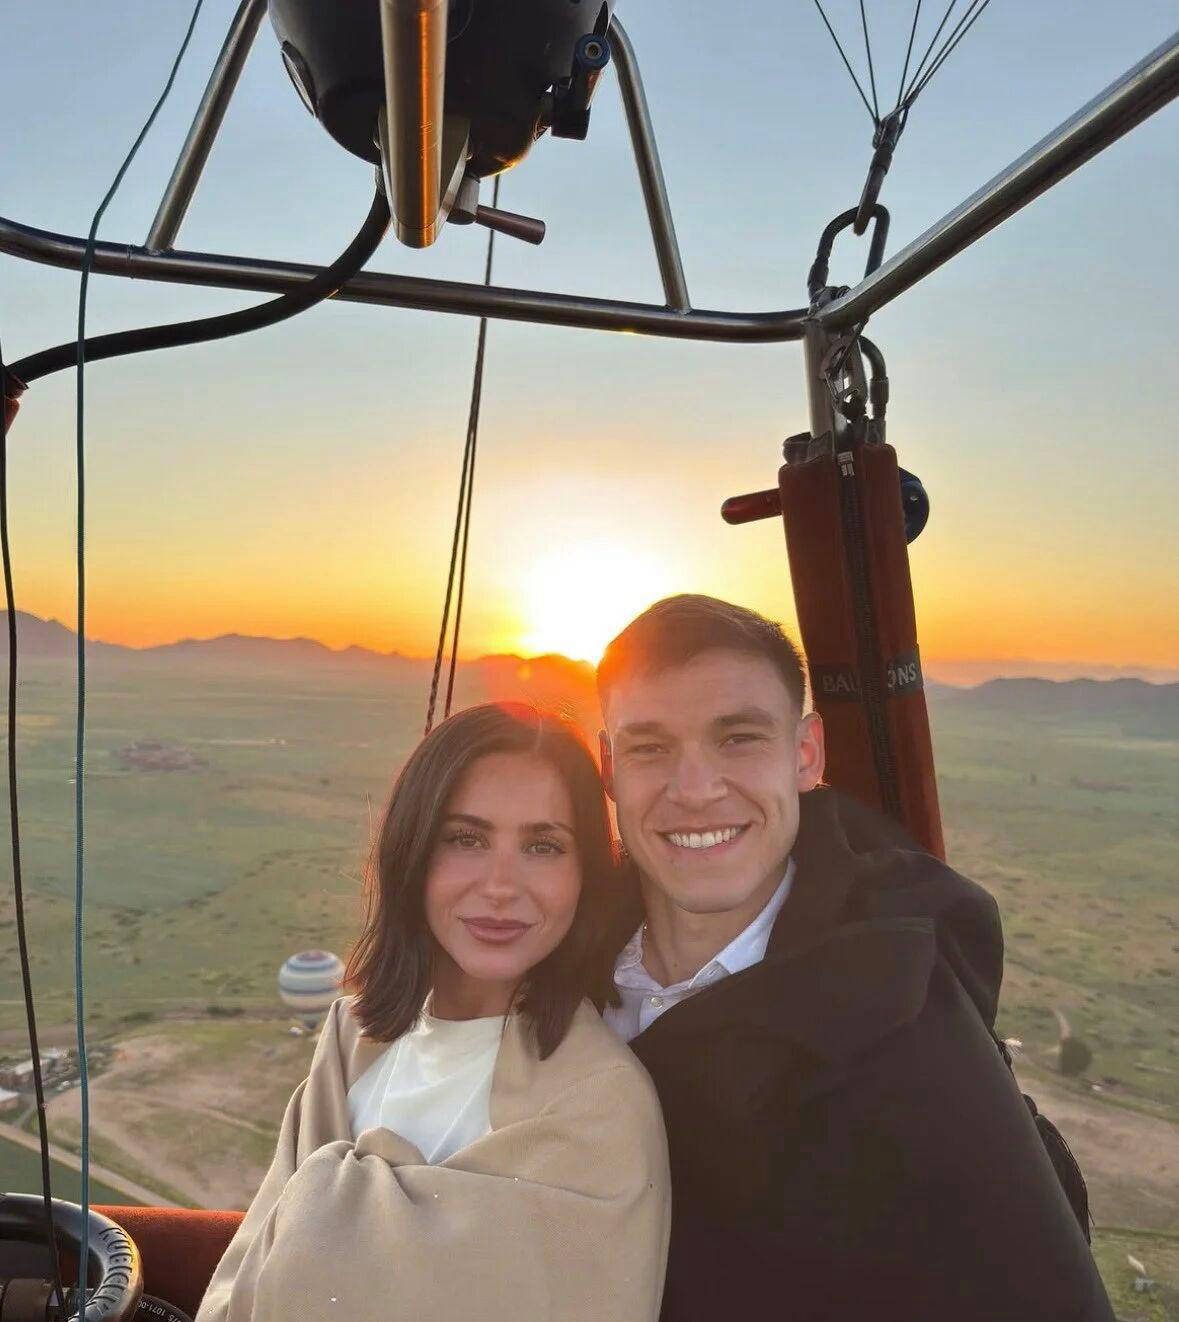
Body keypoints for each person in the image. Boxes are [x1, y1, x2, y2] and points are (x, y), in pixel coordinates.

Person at [595, 594, 1114, 1322]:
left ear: (805, 754)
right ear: (608, 765)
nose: (695, 790)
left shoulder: (912, 1046)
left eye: (738, 738)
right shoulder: (554, 967)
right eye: (649, 748)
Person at [196, 702, 670, 1322]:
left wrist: (325, 1202)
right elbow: (246, 1278)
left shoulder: (600, 1105)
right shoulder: (350, 1039)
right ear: (413, 851)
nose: (501, 886)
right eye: (466, 839)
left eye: (543, 846)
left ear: (585, 874)